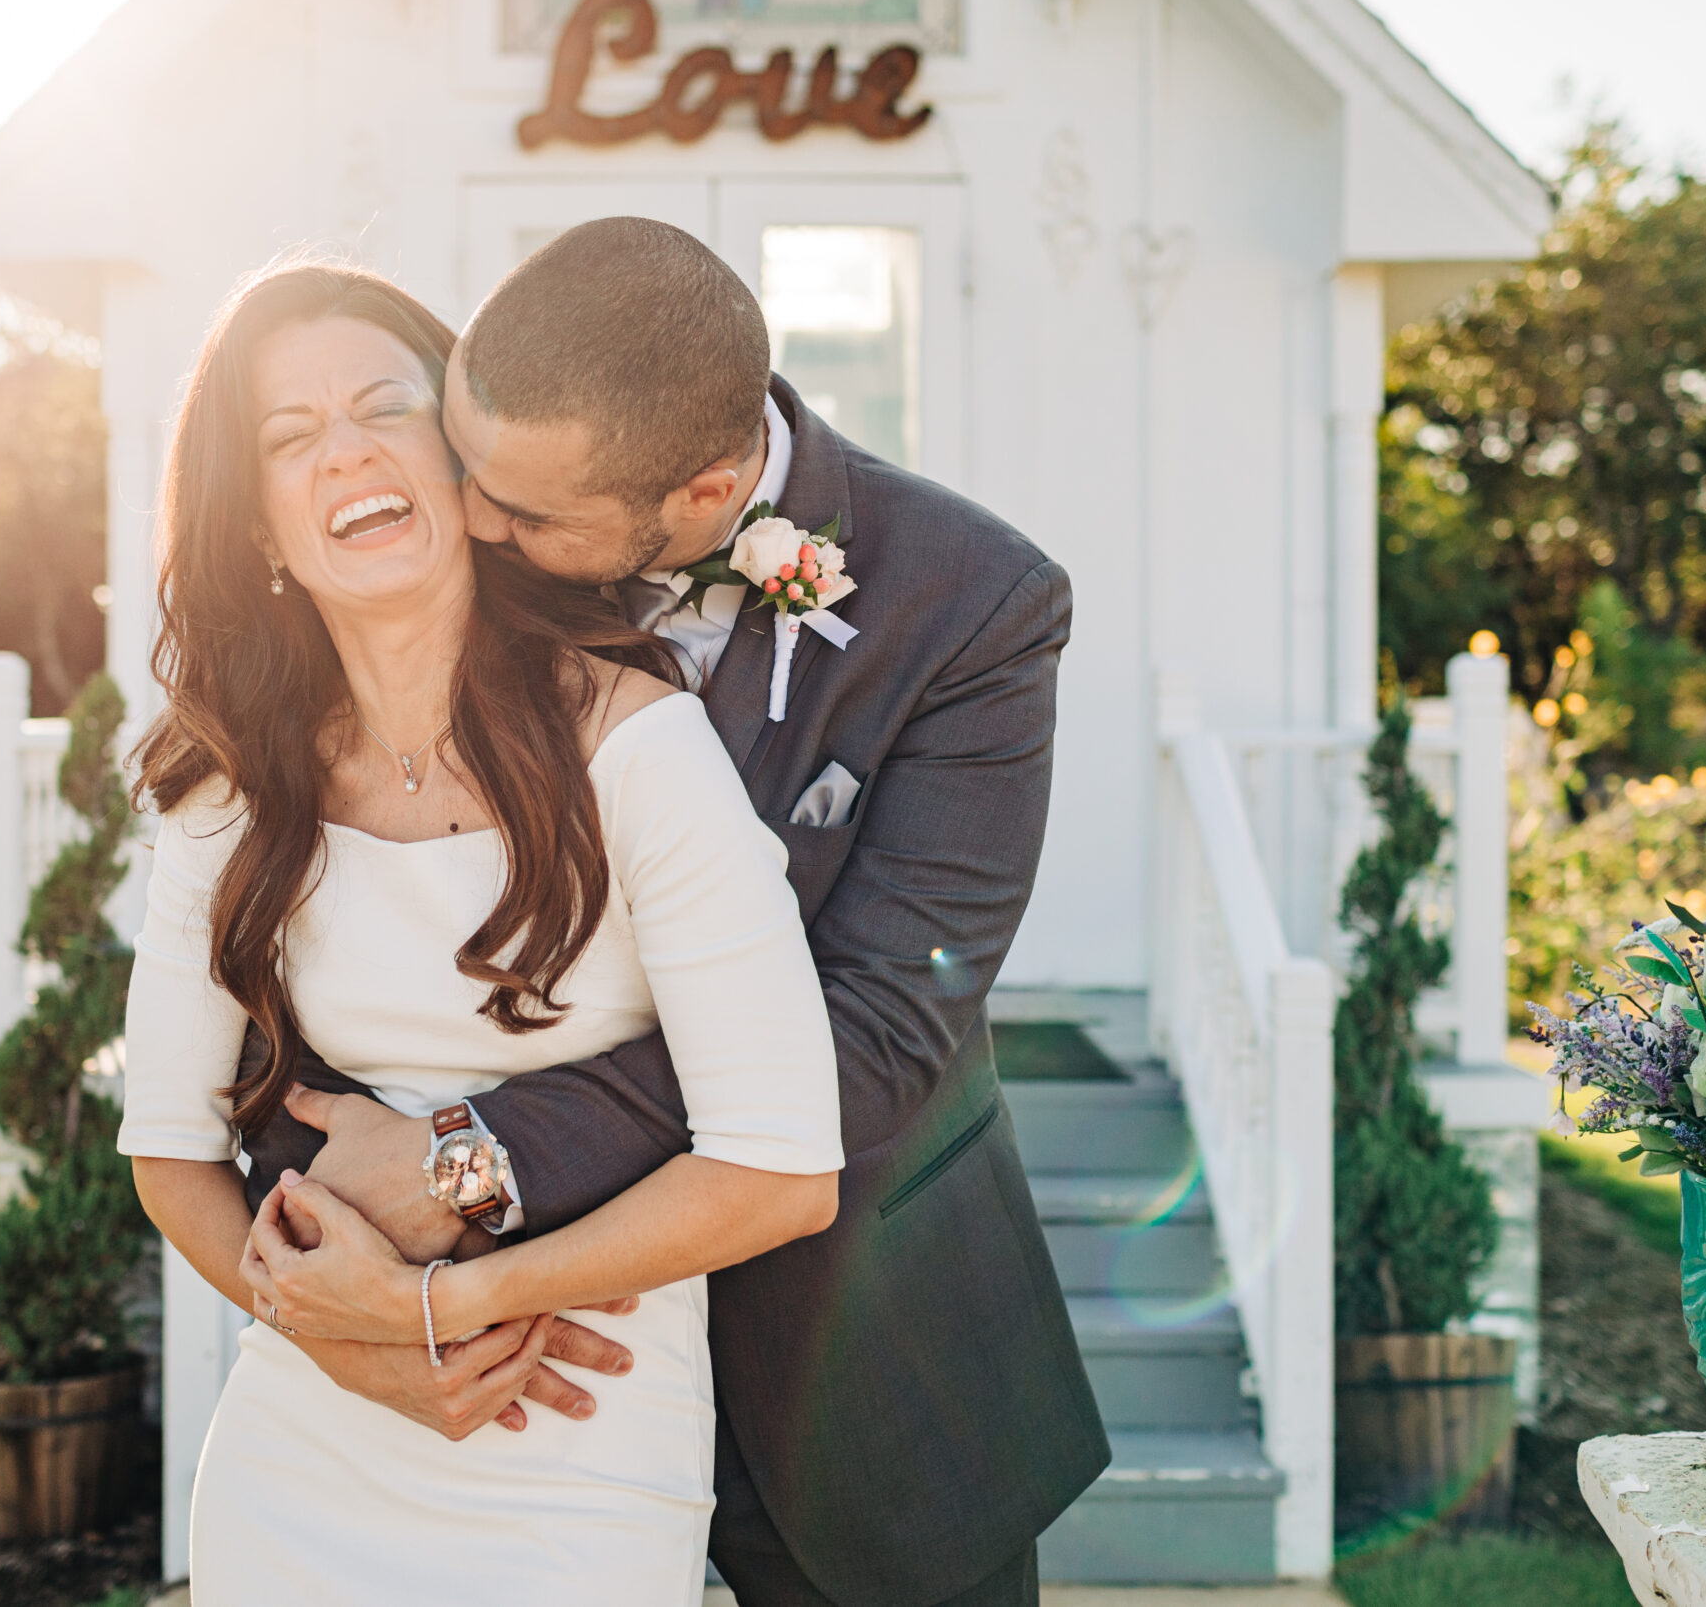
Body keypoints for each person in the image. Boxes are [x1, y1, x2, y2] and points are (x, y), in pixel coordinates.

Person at [243, 218, 1110, 1607]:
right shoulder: (498, 504)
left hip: (856, 1362)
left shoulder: (975, 609)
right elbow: (338, 908)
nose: (473, 522)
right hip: (517, 1403)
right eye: (469, 472)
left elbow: (878, 1034)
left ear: (705, 490)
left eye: (524, 518)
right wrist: (326, 1235)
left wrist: (475, 1154)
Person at [117, 261, 846, 1607]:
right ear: (264, 527)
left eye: (383, 406)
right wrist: (343, 1338)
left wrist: (442, 1314)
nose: (343, 450)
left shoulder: (640, 750)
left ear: (464, 467)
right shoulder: (233, 789)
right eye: (288, 436)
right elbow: (170, 1154)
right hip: (307, 1437)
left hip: (574, 1430)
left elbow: (782, 1170)